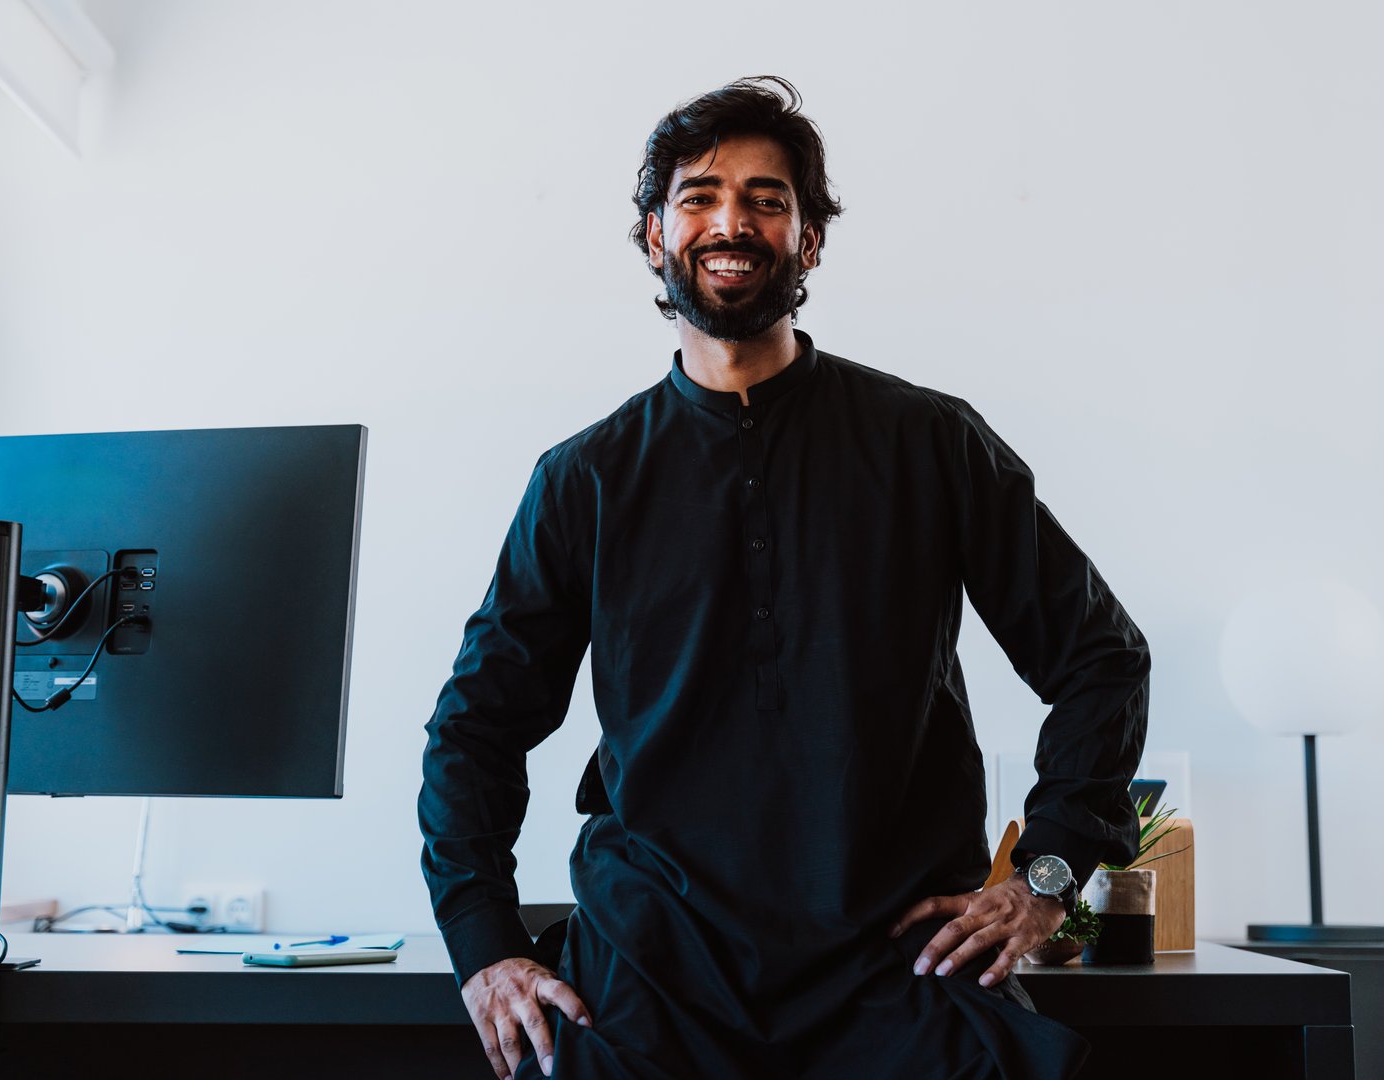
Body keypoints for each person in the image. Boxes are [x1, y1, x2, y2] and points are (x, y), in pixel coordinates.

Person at [419, 76, 1150, 1079]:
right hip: (655, 966)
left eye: (766, 200)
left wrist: (1046, 877)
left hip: (895, 957)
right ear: (654, 235)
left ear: (808, 241)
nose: (732, 222)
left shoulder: (930, 443)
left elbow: (1100, 658)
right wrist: (484, 944)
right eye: (699, 197)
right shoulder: (584, 478)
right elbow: (475, 727)